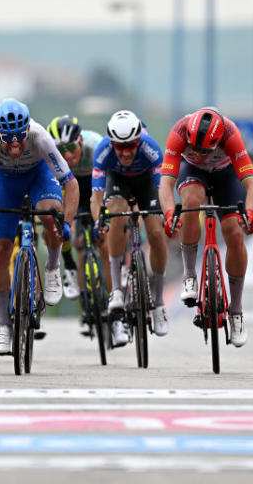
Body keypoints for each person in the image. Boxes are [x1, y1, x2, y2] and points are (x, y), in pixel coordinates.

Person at [0, 98, 78, 355]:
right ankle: (3, 326)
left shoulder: (40, 137)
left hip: (39, 177)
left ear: (27, 130)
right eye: (8, 139)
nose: (14, 144)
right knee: (1, 248)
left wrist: (67, 222)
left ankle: (51, 270)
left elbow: (71, 183)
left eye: (19, 137)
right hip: (5, 184)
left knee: (50, 216)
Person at [159, 107, 253, 348]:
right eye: (193, 148)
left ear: (217, 142)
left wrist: (251, 214)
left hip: (226, 176)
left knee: (235, 233)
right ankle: (190, 276)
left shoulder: (230, 134)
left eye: (204, 150)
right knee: (191, 202)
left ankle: (236, 312)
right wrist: (170, 214)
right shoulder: (179, 132)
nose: (198, 153)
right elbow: (165, 183)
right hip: (192, 173)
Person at [92, 110, 168, 345]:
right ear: (111, 143)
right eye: (119, 147)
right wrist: (99, 221)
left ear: (139, 141)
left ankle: (158, 303)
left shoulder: (150, 148)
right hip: (118, 181)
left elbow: (163, 188)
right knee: (114, 214)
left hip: (146, 182)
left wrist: (168, 215)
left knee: (156, 233)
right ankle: (116, 290)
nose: (125, 152)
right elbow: (96, 197)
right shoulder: (103, 151)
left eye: (131, 146)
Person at [45, 115, 107, 305]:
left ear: (80, 141)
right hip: (69, 186)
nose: (68, 155)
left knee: (105, 233)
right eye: (62, 151)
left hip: (94, 184)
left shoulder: (95, 146)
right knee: (56, 221)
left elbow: (110, 182)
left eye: (71, 148)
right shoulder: (51, 157)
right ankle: (69, 266)